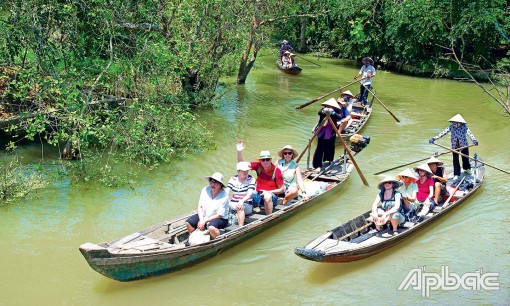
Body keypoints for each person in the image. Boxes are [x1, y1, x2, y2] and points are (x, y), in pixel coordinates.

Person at [236, 140, 284, 215]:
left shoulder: (276, 171)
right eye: (263, 160)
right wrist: (239, 152)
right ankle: (251, 208)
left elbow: (281, 189)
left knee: (267, 196)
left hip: (271, 197)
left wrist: (269, 192)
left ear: (270, 160)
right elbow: (242, 165)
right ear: (260, 161)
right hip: (258, 195)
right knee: (247, 190)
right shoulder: (258, 166)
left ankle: (269, 217)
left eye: (267, 159)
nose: (265, 161)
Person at [429, 114, 479, 180]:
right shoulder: (451, 127)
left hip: (464, 145)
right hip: (454, 146)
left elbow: (469, 134)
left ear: (460, 122)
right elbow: (443, 133)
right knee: (455, 160)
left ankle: (466, 169)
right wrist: (434, 138)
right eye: (453, 122)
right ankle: (456, 174)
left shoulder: (464, 127)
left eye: (456, 122)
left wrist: (474, 140)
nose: (454, 123)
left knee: (465, 158)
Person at [186, 172, 229, 240]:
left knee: (211, 227)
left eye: (216, 182)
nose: (213, 184)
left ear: (221, 185)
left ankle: (215, 240)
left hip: (220, 218)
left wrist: (204, 221)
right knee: (189, 223)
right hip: (205, 215)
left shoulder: (224, 196)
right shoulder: (205, 190)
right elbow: (200, 206)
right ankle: (195, 238)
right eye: (211, 181)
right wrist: (201, 220)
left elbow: (219, 215)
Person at [312, 98, 349, 169]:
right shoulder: (322, 110)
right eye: (328, 106)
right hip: (322, 131)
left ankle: (329, 160)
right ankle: (317, 165)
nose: (329, 107)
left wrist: (332, 113)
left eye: (331, 106)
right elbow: (319, 112)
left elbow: (339, 117)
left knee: (330, 146)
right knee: (320, 148)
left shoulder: (335, 112)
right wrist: (325, 111)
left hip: (331, 131)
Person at [226, 162, 256, 226]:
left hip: (246, 204)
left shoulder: (251, 179)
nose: (246, 172)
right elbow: (227, 191)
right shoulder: (233, 178)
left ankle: (240, 228)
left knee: (239, 206)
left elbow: (249, 194)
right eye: (243, 171)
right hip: (233, 203)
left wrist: (241, 201)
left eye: (247, 170)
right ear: (238, 171)